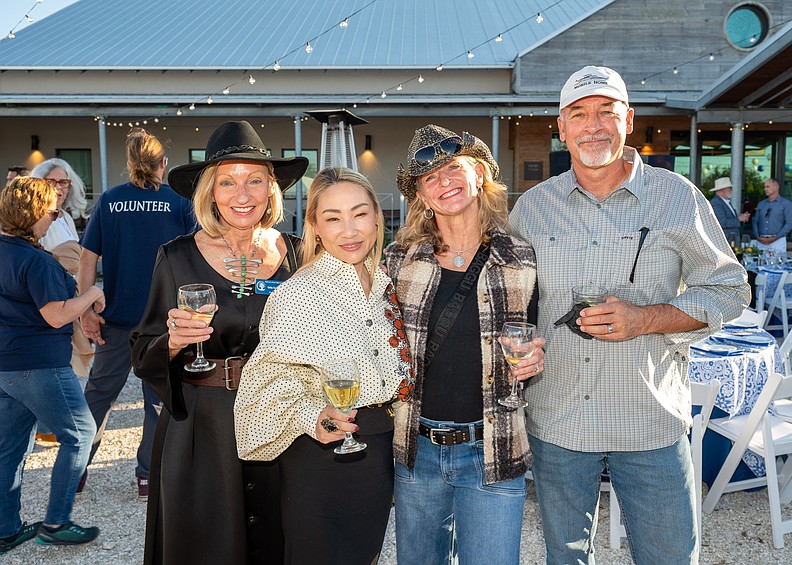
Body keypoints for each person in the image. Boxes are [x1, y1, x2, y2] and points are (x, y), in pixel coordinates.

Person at [508, 65, 749, 564]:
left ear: (629, 120)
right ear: (561, 126)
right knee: (566, 555)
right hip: (559, 418)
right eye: (578, 114)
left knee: (668, 555)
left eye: (605, 112)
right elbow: (513, 302)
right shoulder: (532, 208)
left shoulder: (676, 196)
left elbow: (729, 290)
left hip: (648, 418)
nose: (592, 125)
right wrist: (521, 342)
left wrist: (647, 318)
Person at [130, 120, 308, 565]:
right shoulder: (176, 257)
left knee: (279, 541)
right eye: (227, 182)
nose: (241, 194)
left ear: (272, 188)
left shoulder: (301, 253)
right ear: (210, 191)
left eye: (254, 180)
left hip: (280, 423)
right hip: (202, 430)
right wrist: (171, 343)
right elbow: (142, 349)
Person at [234, 167, 413, 565]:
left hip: (379, 451)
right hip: (323, 458)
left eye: (360, 213)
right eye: (333, 218)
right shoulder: (298, 295)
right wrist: (313, 415)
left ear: (378, 217)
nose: (349, 230)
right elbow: (256, 398)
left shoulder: (385, 282)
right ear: (314, 225)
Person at [386, 124, 545, 565]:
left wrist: (538, 352)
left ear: (479, 175)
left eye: (453, 168)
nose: (445, 182)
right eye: (430, 178)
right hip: (417, 451)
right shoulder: (399, 260)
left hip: (492, 449)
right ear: (420, 195)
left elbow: (539, 331)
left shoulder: (521, 257)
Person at [78, 128, 196, 498]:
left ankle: (75, 468)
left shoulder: (110, 200)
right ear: (164, 164)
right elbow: (196, 254)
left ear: (130, 165)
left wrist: (85, 307)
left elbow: (86, 258)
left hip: (116, 317)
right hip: (163, 320)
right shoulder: (179, 202)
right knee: (157, 399)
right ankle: (148, 475)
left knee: (99, 393)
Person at [0, 177, 103, 553]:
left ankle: (5, 530)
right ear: (33, 215)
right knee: (79, 434)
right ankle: (57, 521)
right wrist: (93, 292)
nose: (54, 218)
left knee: (9, 449)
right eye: (52, 212)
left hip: (6, 365)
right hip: (40, 364)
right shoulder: (36, 260)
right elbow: (56, 316)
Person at [31, 158, 93, 379]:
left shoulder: (65, 217)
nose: (58, 187)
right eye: (52, 181)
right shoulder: (34, 219)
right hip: (46, 300)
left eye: (63, 182)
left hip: (68, 296)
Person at [752, 177, 792, 253]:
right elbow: (755, 221)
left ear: (776, 187)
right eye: (764, 187)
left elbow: (789, 223)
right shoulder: (761, 204)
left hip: (777, 241)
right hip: (761, 241)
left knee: (777, 264)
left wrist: (775, 237)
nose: (765, 189)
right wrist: (757, 236)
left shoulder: (786, 204)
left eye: (768, 187)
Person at [709, 176, 750, 246]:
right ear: (721, 190)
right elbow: (722, 222)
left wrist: (740, 217)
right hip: (725, 242)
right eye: (729, 188)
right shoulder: (716, 203)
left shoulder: (724, 202)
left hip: (731, 241)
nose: (731, 190)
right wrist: (739, 219)